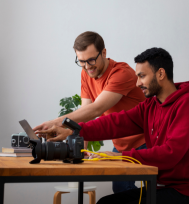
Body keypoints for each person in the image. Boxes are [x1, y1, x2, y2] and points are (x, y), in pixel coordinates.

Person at [36, 47, 189, 204]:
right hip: (159, 186)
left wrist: (119, 156)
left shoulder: (188, 103)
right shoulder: (150, 106)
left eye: (142, 76)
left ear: (161, 74)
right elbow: (114, 123)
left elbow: (170, 153)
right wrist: (71, 131)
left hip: (186, 191)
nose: (138, 83)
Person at [33, 31, 146, 193]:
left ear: (104, 53)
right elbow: (84, 114)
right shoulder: (86, 74)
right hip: (120, 145)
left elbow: (96, 109)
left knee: (132, 193)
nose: (87, 66)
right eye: (81, 61)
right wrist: (79, 151)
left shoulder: (122, 73)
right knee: (121, 191)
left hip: (145, 141)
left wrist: (54, 122)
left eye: (91, 60)